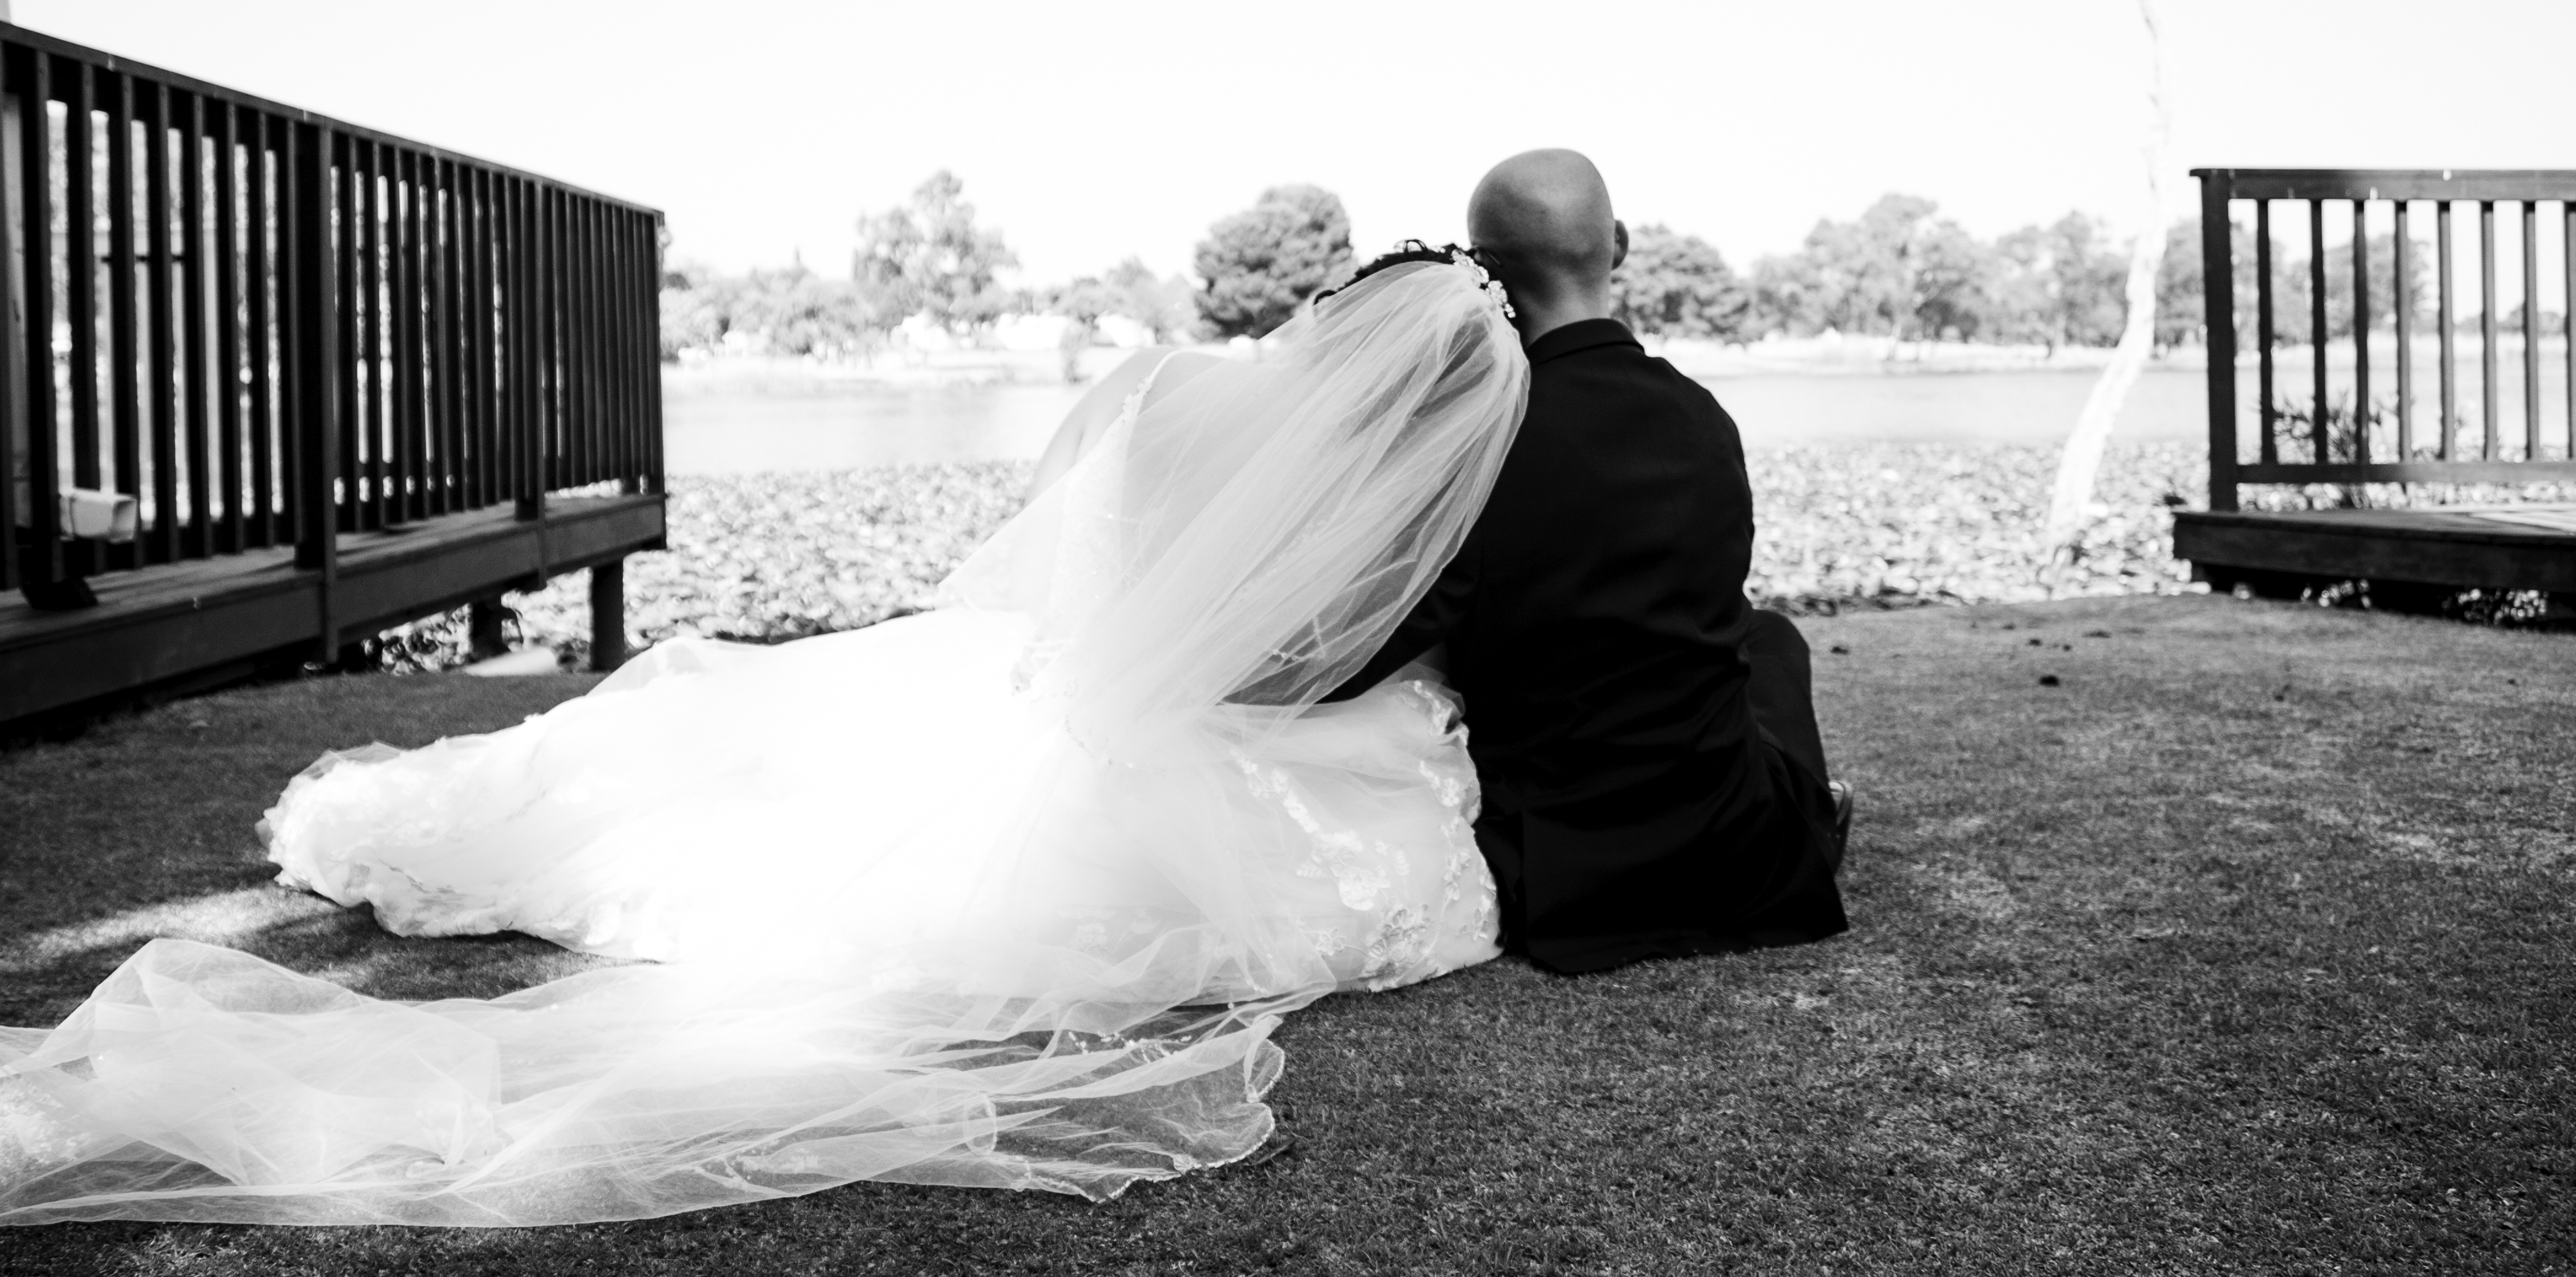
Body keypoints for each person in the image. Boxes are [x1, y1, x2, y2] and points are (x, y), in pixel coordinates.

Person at [0, 251, 1527, 1226]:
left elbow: (1055, 552)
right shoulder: (1383, 500)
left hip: (1030, 677)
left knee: (692, 783)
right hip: (1161, 738)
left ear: (1328, 319)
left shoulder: (1167, 383)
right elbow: (1292, 662)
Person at [1327, 150, 1850, 973]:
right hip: (1737, 847)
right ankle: (1806, 811)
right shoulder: (1704, 417)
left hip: (1563, 870)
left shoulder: (1482, 439)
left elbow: (1378, 642)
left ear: (1482, 271)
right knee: (1768, 637)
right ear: (1621, 246)